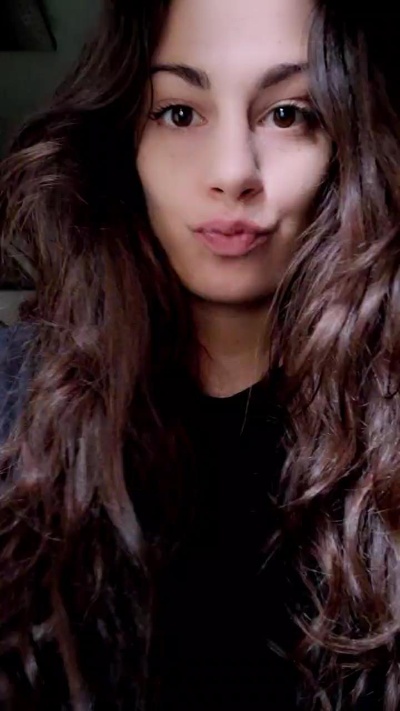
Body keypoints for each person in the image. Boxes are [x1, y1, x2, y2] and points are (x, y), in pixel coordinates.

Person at [0, 0, 399, 708]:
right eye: (180, 113)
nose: (232, 171)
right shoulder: (17, 393)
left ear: (346, 143)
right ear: (124, 139)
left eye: (288, 115)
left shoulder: (387, 413)